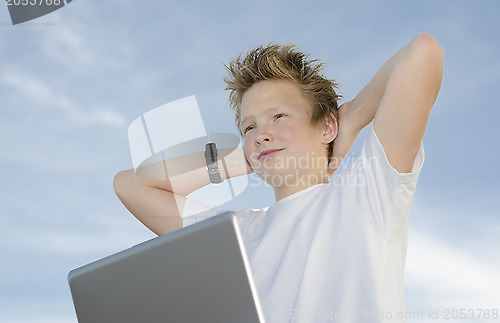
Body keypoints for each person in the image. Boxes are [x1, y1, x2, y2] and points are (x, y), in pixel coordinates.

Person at [113, 33, 444, 322]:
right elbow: (132, 184)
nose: (262, 133)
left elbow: (422, 54)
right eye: (249, 126)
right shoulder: (236, 234)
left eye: (279, 116)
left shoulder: (367, 194)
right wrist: (241, 158)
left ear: (327, 126)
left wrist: (353, 116)